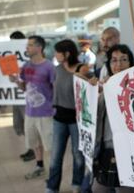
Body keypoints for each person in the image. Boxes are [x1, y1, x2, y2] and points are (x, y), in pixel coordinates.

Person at [9, 35, 56, 179]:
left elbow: (55, 89)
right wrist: (16, 81)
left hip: (46, 113)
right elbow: (24, 87)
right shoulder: (26, 66)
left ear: (39, 47)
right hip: (30, 112)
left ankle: (54, 171)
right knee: (35, 143)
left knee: (50, 145)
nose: (26, 48)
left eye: (29, 45)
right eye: (27, 45)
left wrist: (56, 110)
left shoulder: (49, 67)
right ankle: (39, 166)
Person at [92, 44, 134, 193]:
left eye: (124, 59)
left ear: (130, 63)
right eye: (114, 60)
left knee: (124, 189)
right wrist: (93, 93)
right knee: (99, 187)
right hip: (107, 144)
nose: (118, 65)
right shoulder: (105, 85)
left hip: (129, 146)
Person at [46, 39, 86, 193]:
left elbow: (88, 89)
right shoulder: (56, 69)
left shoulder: (82, 68)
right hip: (59, 118)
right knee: (56, 156)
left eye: (58, 52)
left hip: (77, 119)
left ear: (67, 53)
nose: (55, 55)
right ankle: (52, 187)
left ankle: (77, 183)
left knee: (78, 155)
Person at [10, 30, 35, 162]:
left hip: (27, 96)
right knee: (18, 125)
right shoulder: (10, 56)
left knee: (28, 125)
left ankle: (33, 150)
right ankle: (30, 148)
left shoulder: (29, 56)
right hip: (16, 95)